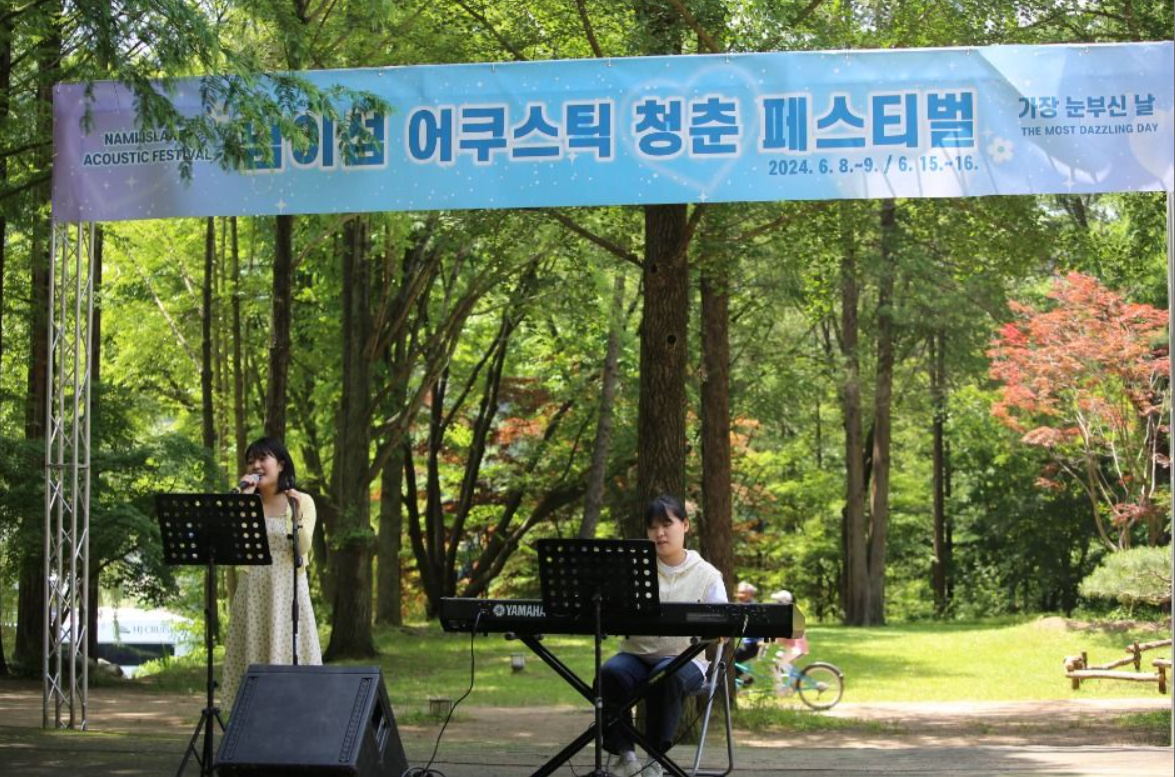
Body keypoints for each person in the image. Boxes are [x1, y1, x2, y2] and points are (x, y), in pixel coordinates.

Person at [600, 495, 725, 777]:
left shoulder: (707, 575)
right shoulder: (634, 571)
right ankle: (626, 755)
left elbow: (723, 630)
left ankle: (655, 760)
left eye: (667, 524)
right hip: (635, 656)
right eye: (652, 527)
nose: (659, 533)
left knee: (666, 676)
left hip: (685, 662)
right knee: (611, 674)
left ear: (685, 525)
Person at [220, 436, 322, 710]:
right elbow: (233, 546)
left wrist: (297, 514)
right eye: (251, 460)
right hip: (253, 592)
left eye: (262, 459)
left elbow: (301, 549)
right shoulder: (246, 502)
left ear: (281, 464)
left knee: (290, 654)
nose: (255, 465)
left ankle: (295, 723)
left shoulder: (301, 502)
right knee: (252, 655)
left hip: (288, 592)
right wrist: (242, 501)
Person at [733, 581, 763, 682]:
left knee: (728, 661)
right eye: (738, 592)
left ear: (750, 594)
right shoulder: (746, 605)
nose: (739, 595)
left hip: (753, 645)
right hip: (749, 644)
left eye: (743, 593)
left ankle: (746, 679)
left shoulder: (751, 607)